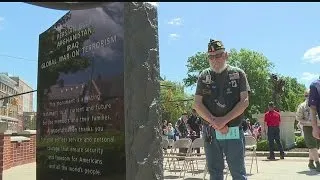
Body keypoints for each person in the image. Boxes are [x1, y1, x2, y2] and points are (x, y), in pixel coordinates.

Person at [194, 39, 250, 180]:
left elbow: (244, 101)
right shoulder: (203, 76)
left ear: (226, 55)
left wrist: (224, 121)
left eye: (218, 55)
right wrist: (215, 123)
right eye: (211, 56)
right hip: (210, 131)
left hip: (233, 129)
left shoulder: (238, 74)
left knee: (238, 172)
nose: (214, 60)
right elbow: (197, 104)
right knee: (215, 172)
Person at [296, 90, 320, 171]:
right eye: (308, 95)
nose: (309, 97)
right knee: (312, 146)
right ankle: (318, 164)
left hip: (317, 127)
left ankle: (310, 162)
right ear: (305, 96)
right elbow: (298, 118)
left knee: (315, 146)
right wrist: (307, 122)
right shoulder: (302, 106)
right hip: (308, 127)